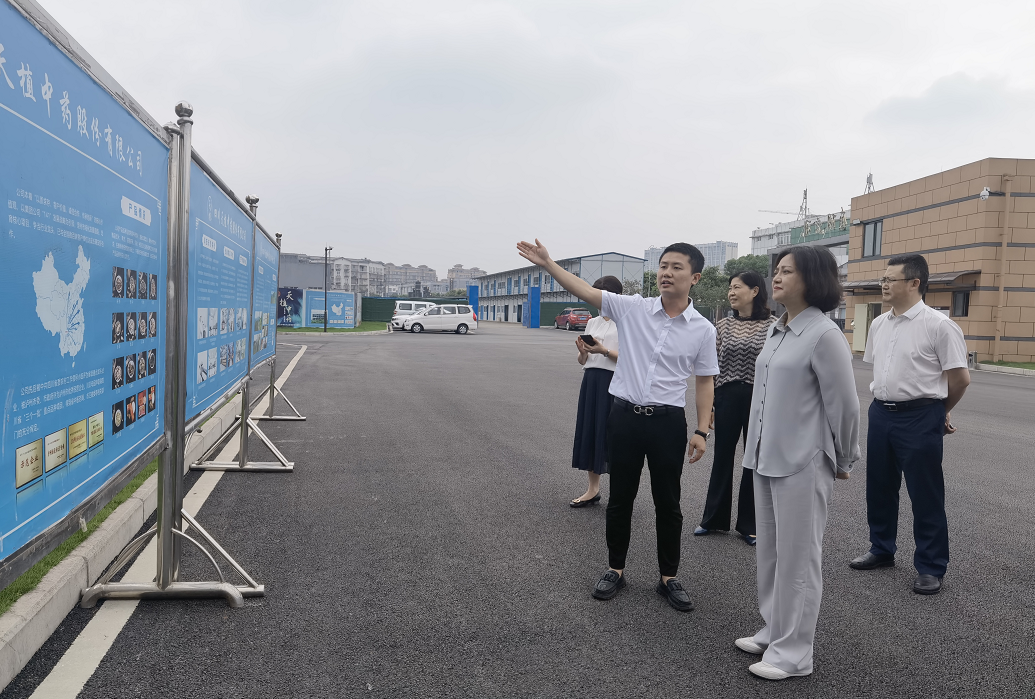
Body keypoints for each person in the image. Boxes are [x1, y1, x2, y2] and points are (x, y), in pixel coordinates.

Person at [517, 239, 717, 613]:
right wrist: (548, 263)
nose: (666, 273)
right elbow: (585, 290)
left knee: (668, 503)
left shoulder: (703, 330)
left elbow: (706, 381)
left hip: (668, 424)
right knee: (621, 498)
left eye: (676, 267)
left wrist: (701, 430)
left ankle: (668, 577)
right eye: (663, 265)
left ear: (695, 277)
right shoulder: (633, 308)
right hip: (624, 417)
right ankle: (616, 570)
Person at [734, 246, 860, 681]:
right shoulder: (778, 329)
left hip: (803, 460)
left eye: (787, 271)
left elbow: (845, 404)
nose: (777, 277)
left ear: (813, 279)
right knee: (771, 553)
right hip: (766, 456)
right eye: (777, 270)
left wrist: (844, 456)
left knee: (799, 558)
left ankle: (794, 653)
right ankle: (774, 630)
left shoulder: (824, 334)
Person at [848, 254, 970, 596]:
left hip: (920, 414)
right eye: (883, 279)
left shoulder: (939, 325)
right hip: (881, 413)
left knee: (925, 492)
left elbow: (960, 379)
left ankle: (931, 566)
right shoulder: (879, 324)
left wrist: (941, 411)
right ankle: (881, 548)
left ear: (915, 283)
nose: (884, 284)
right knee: (879, 486)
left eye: (891, 279)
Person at [694, 271, 774, 545]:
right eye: (730, 288)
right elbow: (712, 366)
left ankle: (750, 525)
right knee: (722, 457)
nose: (731, 292)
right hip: (726, 396)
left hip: (759, 398)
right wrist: (711, 405)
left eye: (737, 287)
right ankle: (713, 519)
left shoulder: (773, 326)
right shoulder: (723, 326)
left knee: (754, 460)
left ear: (755, 291)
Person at [570, 276, 623, 507]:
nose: (595, 300)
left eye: (600, 295)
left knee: (615, 436)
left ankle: (620, 494)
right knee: (591, 431)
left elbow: (631, 359)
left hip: (615, 382)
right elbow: (583, 361)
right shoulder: (593, 322)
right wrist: (583, 352)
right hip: (591, 381)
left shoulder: (626, 321)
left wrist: (604, 351)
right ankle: (593, 490)